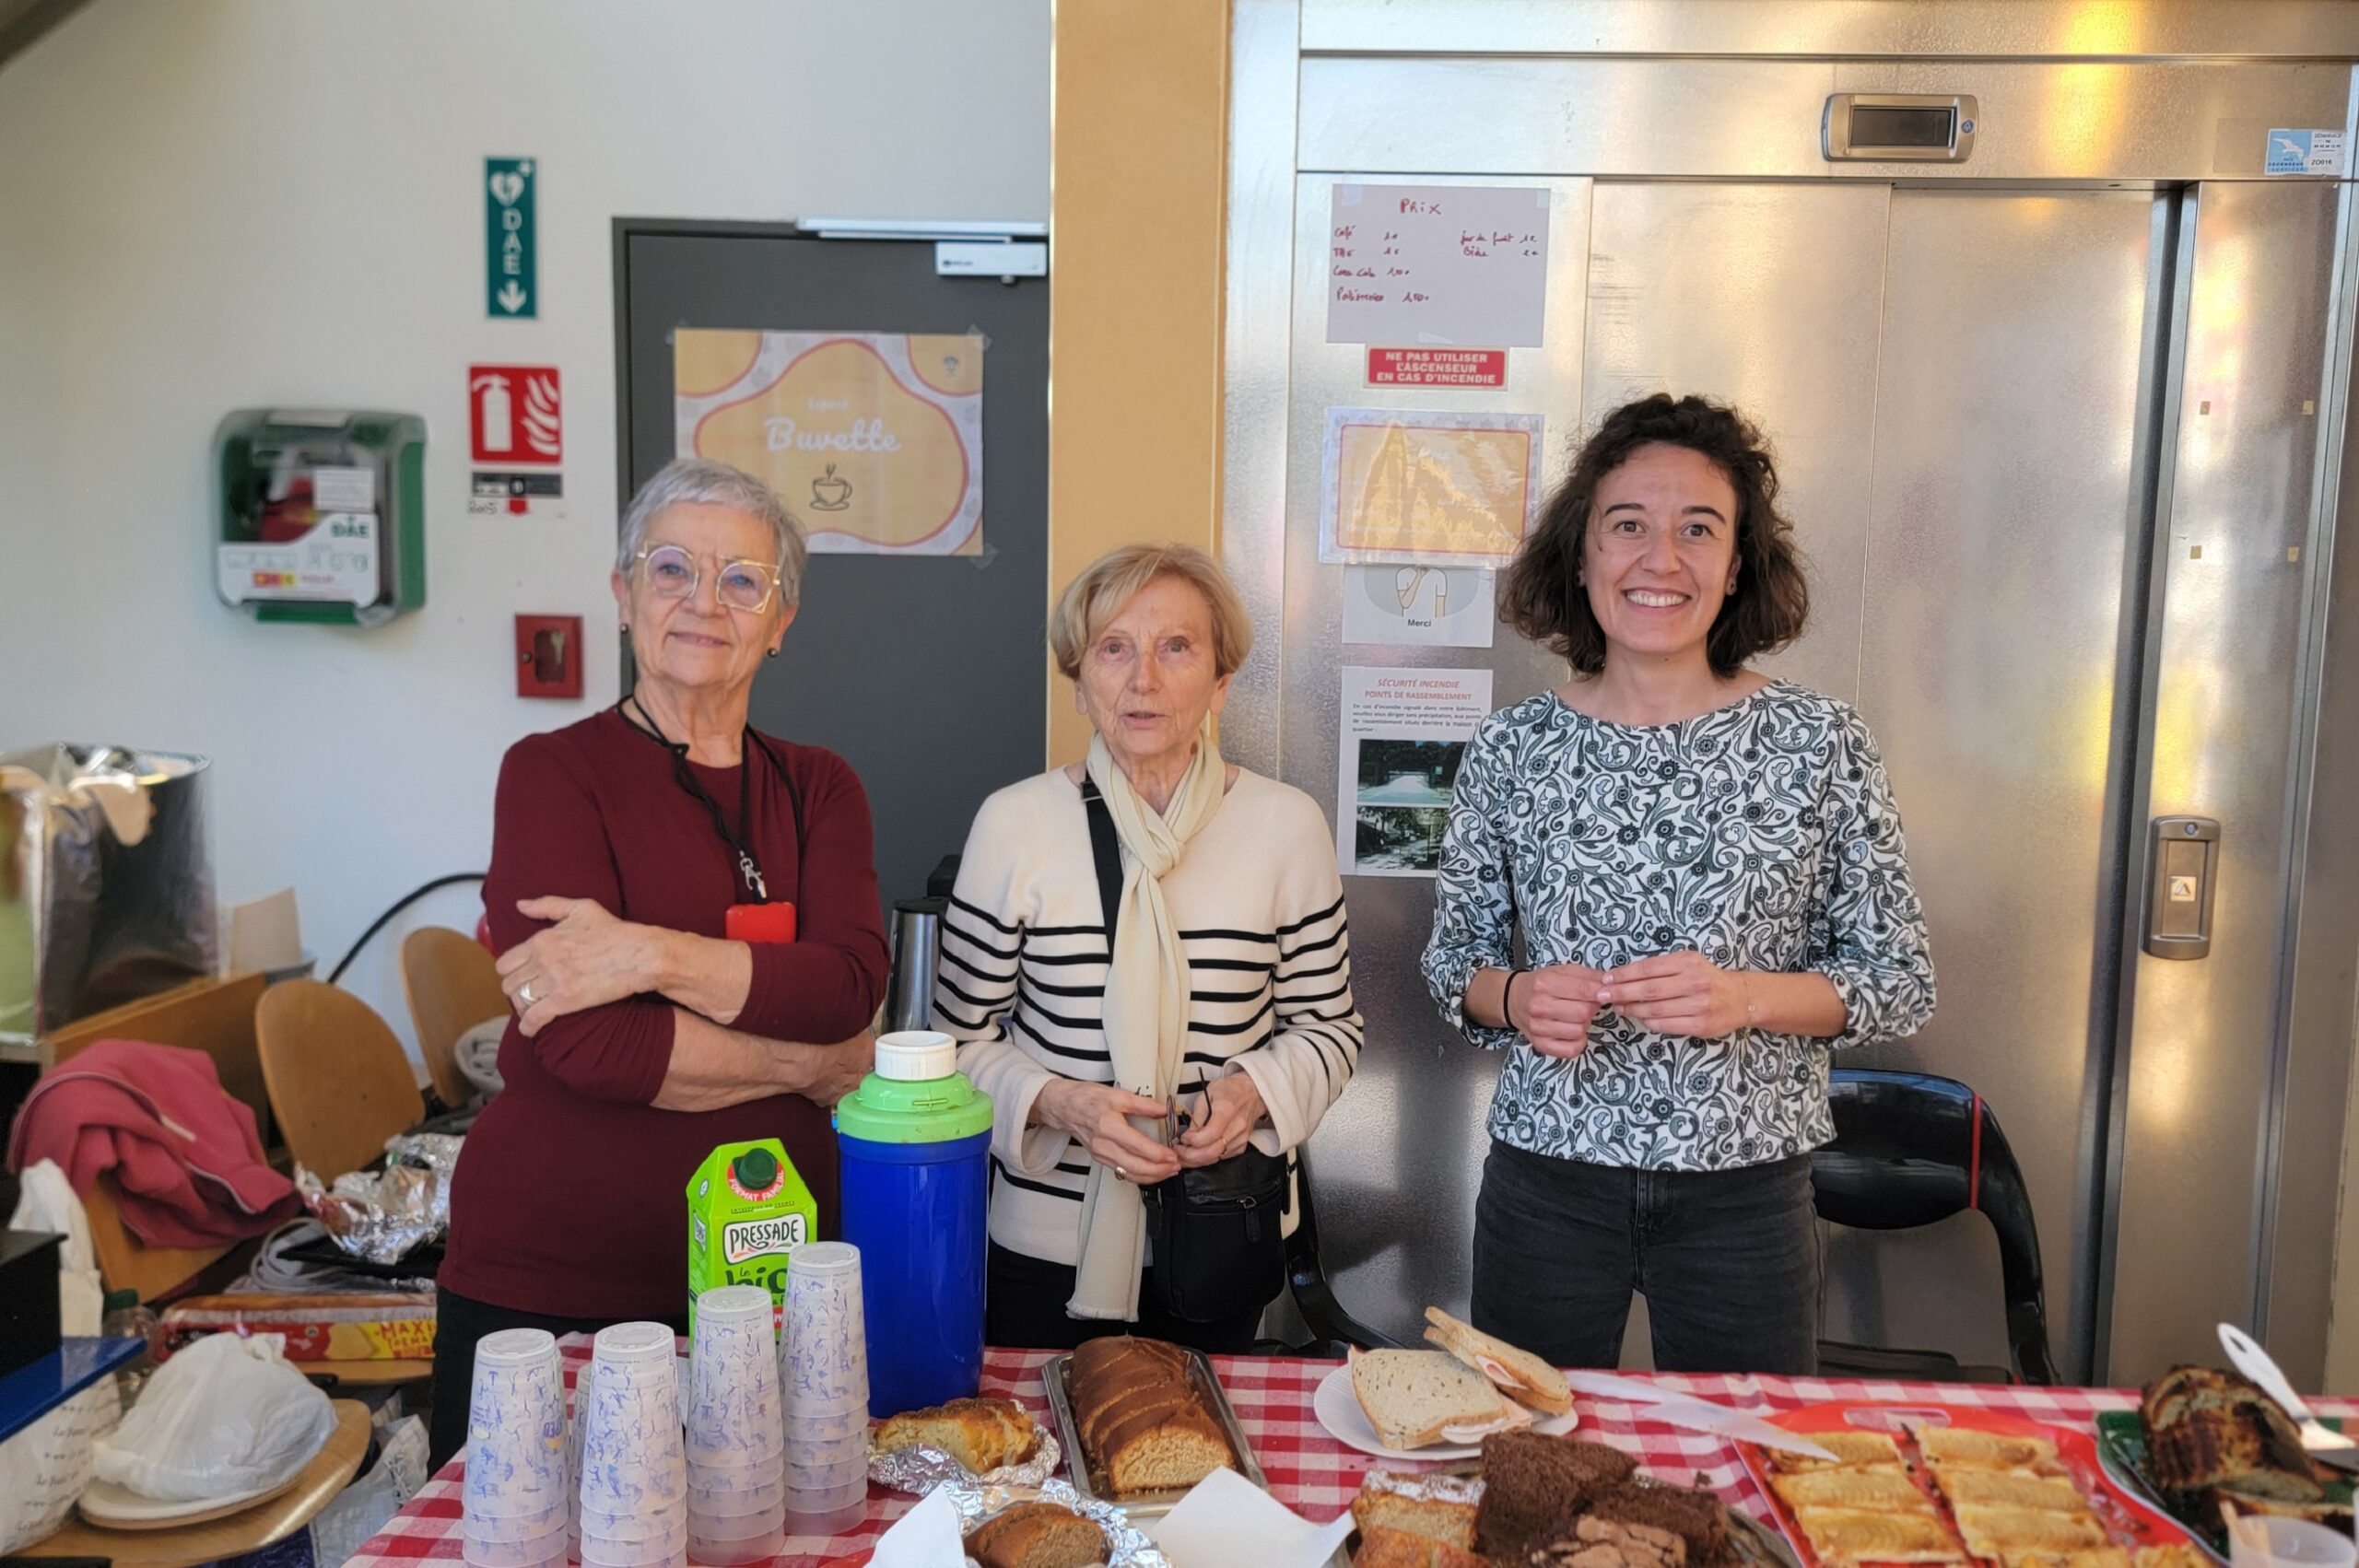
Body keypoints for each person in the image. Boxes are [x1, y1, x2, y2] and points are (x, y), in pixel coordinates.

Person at [1422, 393, 1935, 1375]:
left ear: (1737, 563)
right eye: (1628, 527)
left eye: (1697, 529)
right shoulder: (1513, 747)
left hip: (1746, 1191)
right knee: (1526, 1462)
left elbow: (1898, 975)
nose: (1660, 559)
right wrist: (1520, 995)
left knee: (1744, 1467)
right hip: (1546, 1182)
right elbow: (1454, 967)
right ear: (1581, 556)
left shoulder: (1820, 744)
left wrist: (1740, 996)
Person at [428, 458, 887, 1469]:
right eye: (672, 567)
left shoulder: (820, 788)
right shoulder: (550, 775)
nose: (702, 601)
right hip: (550, 1282)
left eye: (740, 580)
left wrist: (641, 951)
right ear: (624, 591)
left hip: (768, 1277)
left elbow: (849, 985)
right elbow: (591, 1044)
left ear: (781, 619)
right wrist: (806, 1066)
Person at [933, 543, 1362, 1353]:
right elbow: (954, 1048)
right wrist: (1063, 1105)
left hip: (1222, 1230)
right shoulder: (1014, 823)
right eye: (1114, 648)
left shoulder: (1286, 825)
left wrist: (1253, 1092)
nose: (1144, 680)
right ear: (1080, 679)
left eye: (1176, 647)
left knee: (1208, 1469)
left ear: (1221, 680)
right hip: (1045, 1248)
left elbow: (1331, 1029)